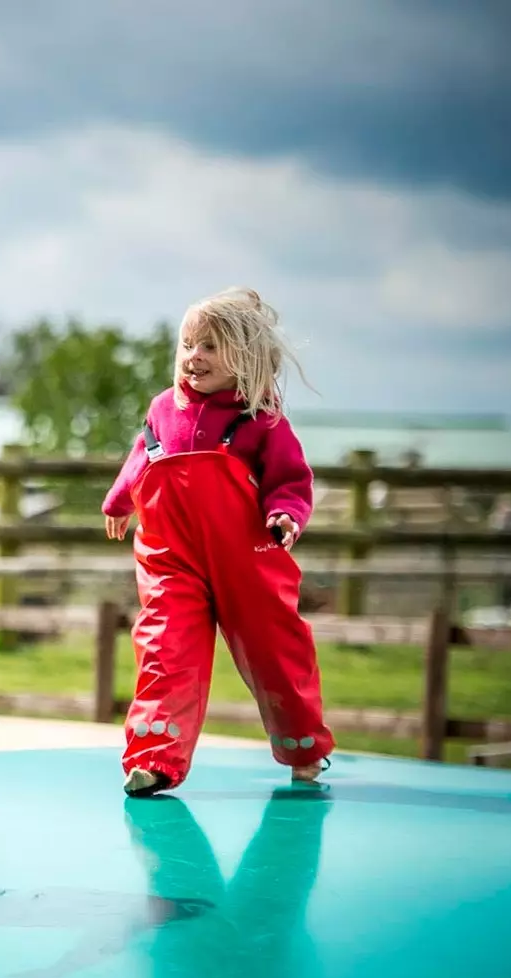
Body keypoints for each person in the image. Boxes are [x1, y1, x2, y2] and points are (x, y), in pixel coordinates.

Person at [102, 287, 335, 795]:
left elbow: (291, 480)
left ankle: (304, 747)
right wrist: (120, 501)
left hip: (246, 557)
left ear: (245, 356)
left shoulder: (262, 419)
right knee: (165, 647)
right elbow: (144, 456)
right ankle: (154, 758)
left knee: (274, 649)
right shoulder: (164, 408)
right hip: (173, 557)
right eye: (188, 345)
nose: (194, 357)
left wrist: (285, 515)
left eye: (210, 346)